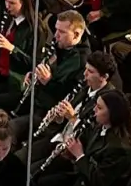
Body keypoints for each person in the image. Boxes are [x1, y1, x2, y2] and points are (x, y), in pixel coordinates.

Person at [27, 51, 121, 179]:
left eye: (90, 71)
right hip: (59, 137)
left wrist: (73, 118)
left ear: (104, 77)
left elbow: (94, 136)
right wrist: (59, 117)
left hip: (72, 154)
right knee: (22, 157)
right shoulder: (84, 86)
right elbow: (65, 119)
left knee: (31, 174)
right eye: (86, 69)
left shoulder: (108, 102)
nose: (85, 74)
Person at [6, 11, 91, 146]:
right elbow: (46, 63)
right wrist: (34, 73)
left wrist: (48, 82)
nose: (56, 35)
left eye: (61, 32)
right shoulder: (60, 44)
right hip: (36, 97)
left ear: (76, 35)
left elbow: (68, 97)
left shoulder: (82, 61)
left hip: (48, 113)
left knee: (9, 130)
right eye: (56, 30)